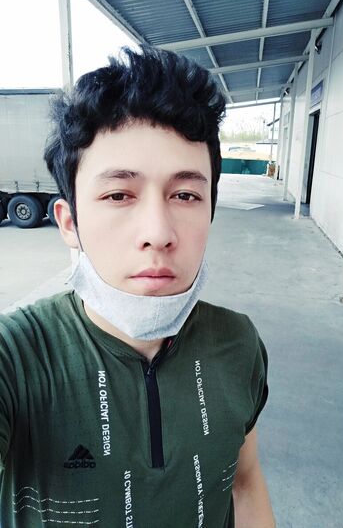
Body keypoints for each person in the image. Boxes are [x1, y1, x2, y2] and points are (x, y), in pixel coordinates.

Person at [0, 44, 275, 527]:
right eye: (118, 195)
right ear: (69, 222)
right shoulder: (16, 356)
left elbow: (245, 481)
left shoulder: (238, 343)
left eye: (185, 194)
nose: (158, 233)